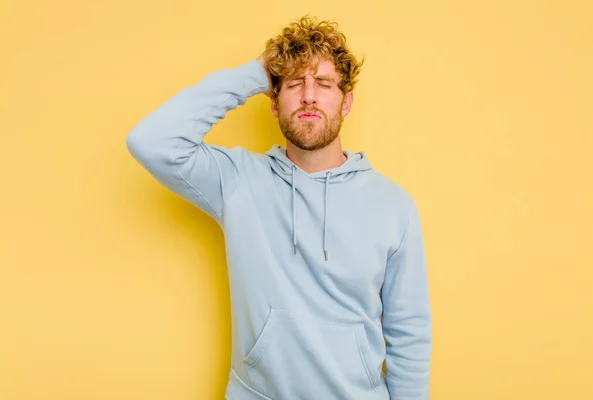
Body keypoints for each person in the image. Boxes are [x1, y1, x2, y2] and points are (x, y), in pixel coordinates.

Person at [126, 15, 432, 400]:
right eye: (293, 84)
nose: (308, 96)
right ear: (272, 103)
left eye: (323, 84)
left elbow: (410, 333)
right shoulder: (238, 181)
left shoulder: (393, 205)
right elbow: (152, 141)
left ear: (346, 101)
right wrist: (255, 72)